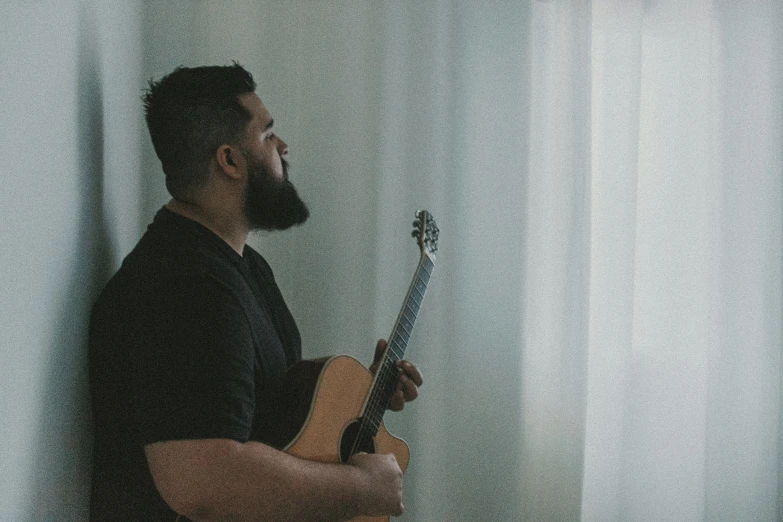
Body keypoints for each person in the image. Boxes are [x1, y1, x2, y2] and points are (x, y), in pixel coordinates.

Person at [88, 63, 423, 521]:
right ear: (229, 161)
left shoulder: (240, 266)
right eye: (268, 135)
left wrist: (364, 399)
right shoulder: (185, 287)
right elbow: (202, 482)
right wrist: (360, 489)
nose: (283, 148)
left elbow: (269, 418)